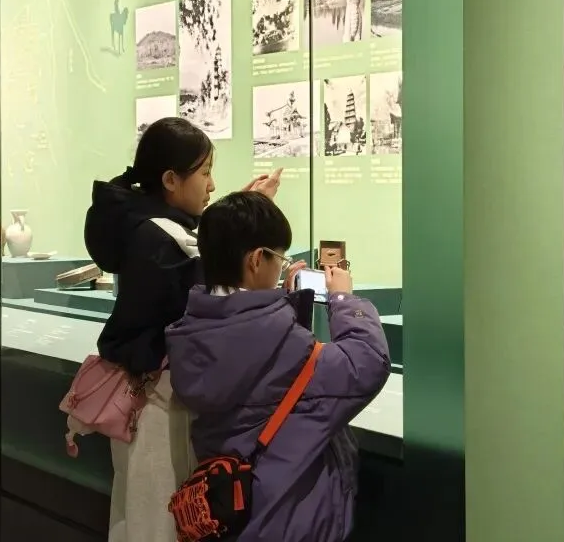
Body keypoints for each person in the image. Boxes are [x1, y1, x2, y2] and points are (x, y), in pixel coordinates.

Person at [83, 117, 280, 542]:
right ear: (171, 180)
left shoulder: (150, 228)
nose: (212, 185)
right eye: (205, 173)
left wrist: (242, 209)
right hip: (158, 405)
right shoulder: (161, 240)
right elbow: (212, 295)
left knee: (137, 516)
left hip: (149, 400)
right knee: (158, 522)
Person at [166, 191, 391, 542]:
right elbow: (366, 363)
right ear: (257, 260)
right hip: (289, 520)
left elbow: (263, 366)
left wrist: (283, 303)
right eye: (279, 259)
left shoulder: (192, 331)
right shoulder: (285, 349)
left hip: (233, 517)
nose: (281, 267)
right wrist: (345, 299)